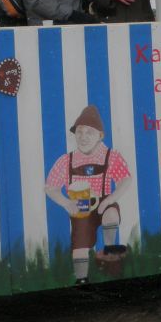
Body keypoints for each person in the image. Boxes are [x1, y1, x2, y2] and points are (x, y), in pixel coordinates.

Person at [44, 106, 132, 285]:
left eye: (89, 132)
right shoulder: (67, 160)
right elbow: (50, 187)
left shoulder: (110, 156)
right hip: (81, 207)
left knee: (111, 215)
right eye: (79, 132)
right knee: (80, 249)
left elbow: (126, 179)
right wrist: (66, 203)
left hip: (104, 202)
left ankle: (109, 249)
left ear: (100, 136)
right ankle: (82, 280)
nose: (83, 137)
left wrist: (110, 199)